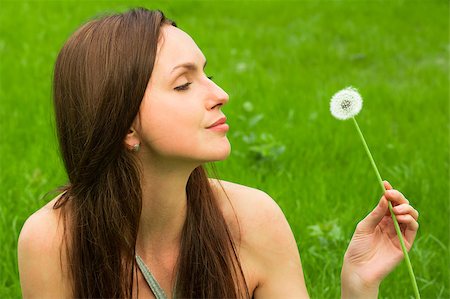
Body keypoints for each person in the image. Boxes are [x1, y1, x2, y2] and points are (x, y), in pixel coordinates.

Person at [17, 8, 419, 299]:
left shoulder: (253, 220)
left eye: (206, 74)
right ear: (124, 125)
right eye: (183, 84)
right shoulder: (53, 241)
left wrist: (360, 285)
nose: (220, 94)